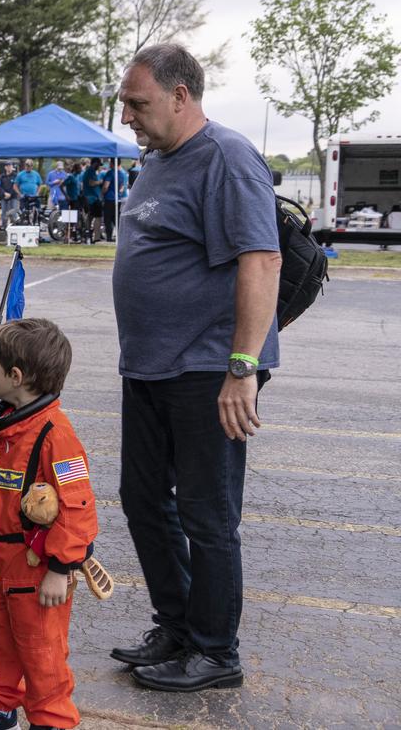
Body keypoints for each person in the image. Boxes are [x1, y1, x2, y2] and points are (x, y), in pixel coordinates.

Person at [110, 43, 281, 692]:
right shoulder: (157, 161)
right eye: (126, 101)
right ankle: (178, 626)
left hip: (209, 367)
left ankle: (216, 650)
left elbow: (261, 260)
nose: (127, 114)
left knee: (208, 513)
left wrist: (242, 366)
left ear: (181, 96)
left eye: (137, 102)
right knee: (143, 499)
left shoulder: (227, 158)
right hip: (150, 367)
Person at [0, 318, 98, 730]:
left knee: (42, 651)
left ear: (15, 376)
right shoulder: (1, 424)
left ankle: (52, 721)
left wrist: (61, 568)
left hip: (35, 566)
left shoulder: (56, 435)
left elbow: (78, 507)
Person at [100, 156, 129, 241]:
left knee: (108, 219)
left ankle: (109, 237)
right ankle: (120, 237)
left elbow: (105, 186)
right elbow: (122, 187)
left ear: (112, 163)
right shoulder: (122, 174)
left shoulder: (110, 173)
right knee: (116, 219)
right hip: (118, 199)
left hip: (109, 199)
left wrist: (101, 194)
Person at [81, 159, 104, 241]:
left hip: (92, 197)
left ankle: (88, 234)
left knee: (90, 217)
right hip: (92, 198)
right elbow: (91, 183)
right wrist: (100, 182)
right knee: (97, 216)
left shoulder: (90, 171)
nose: (99, 167)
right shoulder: (90, 171)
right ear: (95, 163)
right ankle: (95, 236)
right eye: (98, 164)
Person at [0, 163, 18, 228]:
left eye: (10, 166)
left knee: (13, 212)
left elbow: (16, 186)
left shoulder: (15, 176)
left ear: (12, 167)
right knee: (4, 213)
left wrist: (10, 194)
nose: (9, 167)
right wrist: (4, 193)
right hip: (4, 197)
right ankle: (4, 227)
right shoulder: (2, 176)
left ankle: (14, 226)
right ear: (5, 167)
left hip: (13, 197)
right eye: (7, 166)